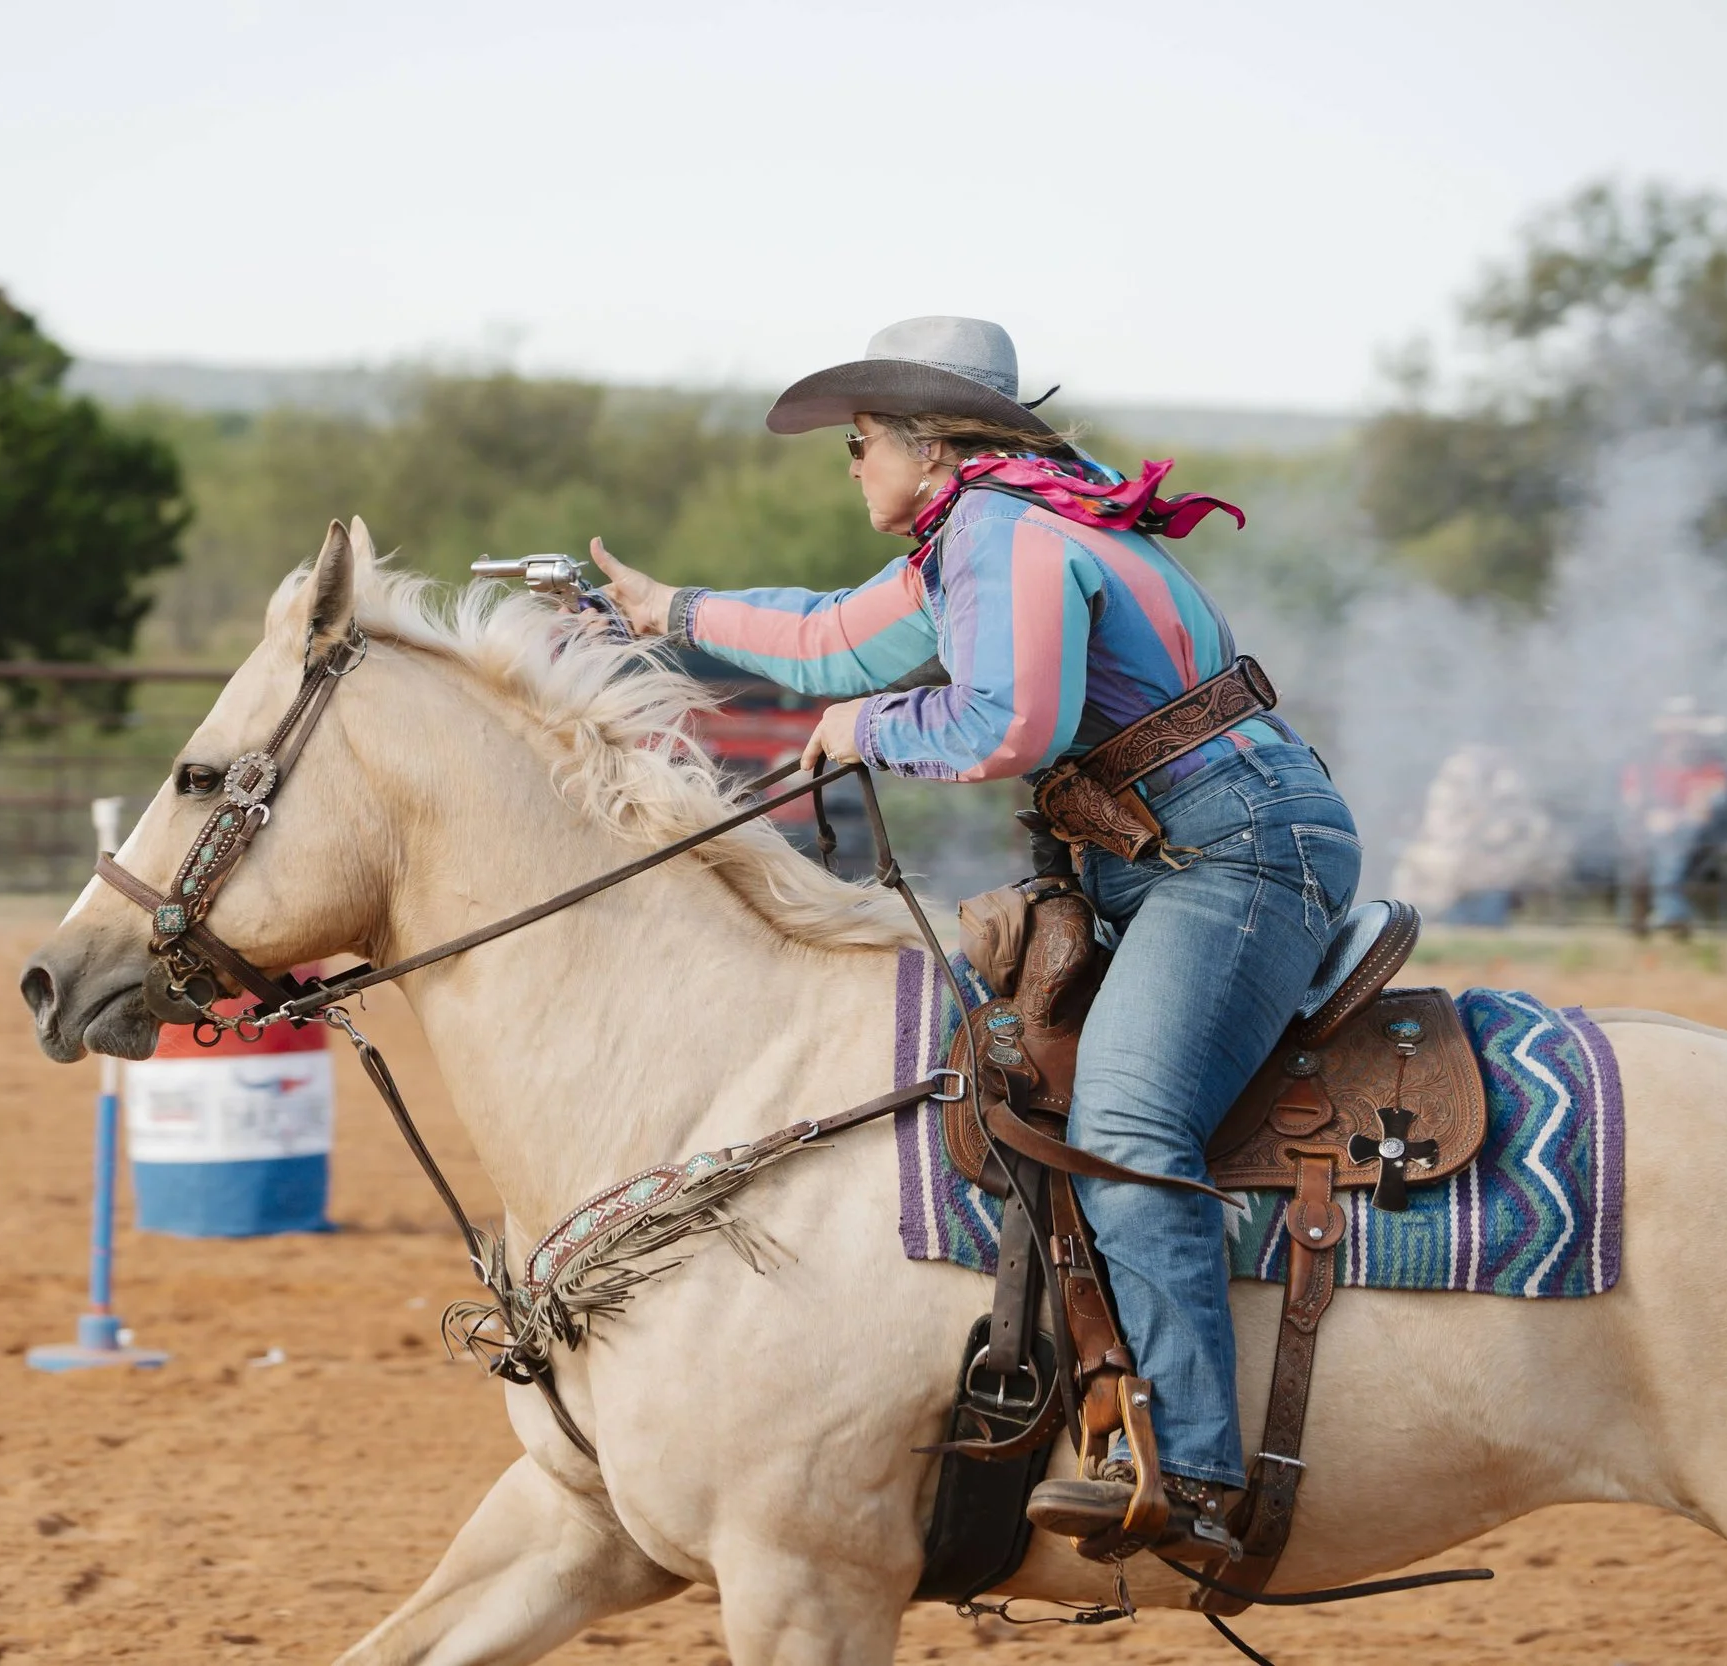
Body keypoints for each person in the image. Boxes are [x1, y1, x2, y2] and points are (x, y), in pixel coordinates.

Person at [589, 316, 1361, 1545]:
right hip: (1174, 849)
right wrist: (665, 607)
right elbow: (829, 633)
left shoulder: (1001, 534)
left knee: (1123, 1117)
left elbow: (1010, 728)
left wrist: (865, 730)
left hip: (1231, 855)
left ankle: (1203, 1476)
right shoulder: (989, 531)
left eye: (858, 443)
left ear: (932, 444)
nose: (849, 465)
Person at [1389, 744, 1566, 928]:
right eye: (1448, 781)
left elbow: (1545, 871)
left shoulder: (1516, 841)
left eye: (1457, 783)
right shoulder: (1418, 855)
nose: (1443, 792)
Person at [1618, 697, 1727, 937]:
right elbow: (1631, 799)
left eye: (1687, 732)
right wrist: (1648, 816)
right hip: (1650, 830)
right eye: (1676, 731)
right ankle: (1665, 914)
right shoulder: (1644, 764)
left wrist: (1677, 818)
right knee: (1642, 847)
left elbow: (1710, 803)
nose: (1682, 738)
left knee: (1674, 841)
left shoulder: (1709, 765)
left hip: (1696, 834)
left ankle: (1671, 914)